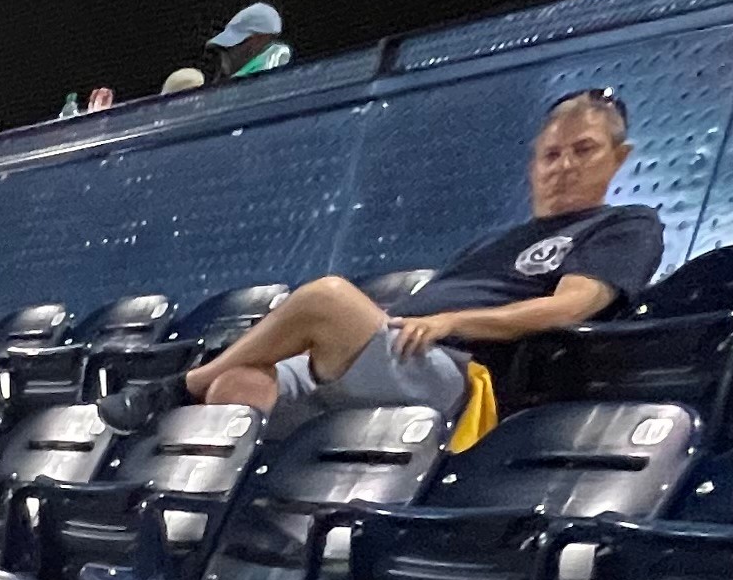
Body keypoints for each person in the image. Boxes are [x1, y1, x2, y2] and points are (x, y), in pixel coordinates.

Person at [184, 87, 663, 443]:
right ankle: (229, 531)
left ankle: (181, 384)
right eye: (551, 155)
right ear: (533, 164)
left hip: (458, 370)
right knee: (239, 383)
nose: (563, 167)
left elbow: (572, 307)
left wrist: (450, 321)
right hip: (396, 351)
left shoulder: (626, 224)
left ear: (619, 158)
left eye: (584, 150)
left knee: (325, 298)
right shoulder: (494, 241)